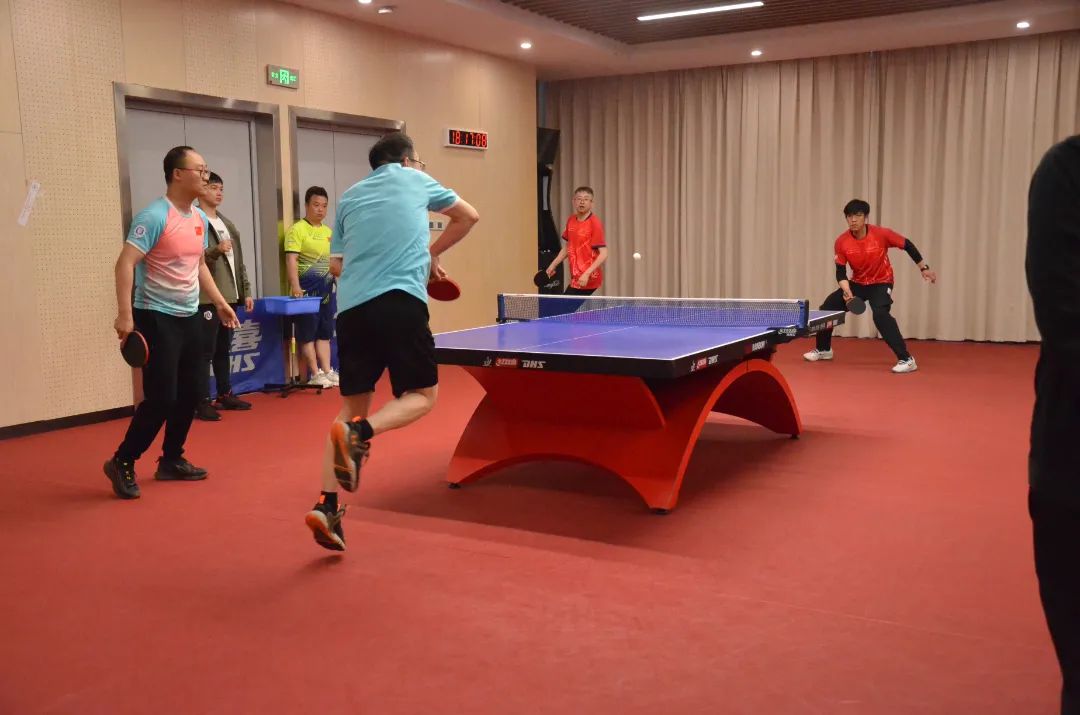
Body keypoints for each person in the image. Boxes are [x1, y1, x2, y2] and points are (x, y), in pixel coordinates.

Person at [304, 131, 479, 551]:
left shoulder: (349, 198)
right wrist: (430, 254)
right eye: (418, 162)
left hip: (352, 312)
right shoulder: (414, 179)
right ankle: (361, 433)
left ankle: (326, 505)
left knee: (350, 407)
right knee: (422, 396)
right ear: (406, 161)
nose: (419, 168)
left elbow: (336, 265)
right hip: (400, 302)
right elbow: (468, 216)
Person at [105, 146, 239, 499]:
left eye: (207, 170)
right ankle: (122, 460)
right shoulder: (153, 217)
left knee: (193, 392)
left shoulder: (198, 219)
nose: (206, 177)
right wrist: (125, 313)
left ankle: (171, 459)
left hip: (189, 315)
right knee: (162, 397)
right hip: (155, 316)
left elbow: (199, 265)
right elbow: (125, 263)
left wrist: (221, 303)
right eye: (200, 170)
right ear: (178, 174)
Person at [1025, 133, 1080, 715]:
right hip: (1070, 463)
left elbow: (907, 244)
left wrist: (924, 264)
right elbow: (1064, 318)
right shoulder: (1067, 172)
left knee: (884, 314)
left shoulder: (881, 235)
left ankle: (903, 353)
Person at [802, 199, 938, 373]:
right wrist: (846, 290)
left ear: (865, 217)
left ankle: (907, 359)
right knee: (828, 307)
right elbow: (840, 272)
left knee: (880, 314)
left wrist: (923, 268)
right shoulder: (842, 242)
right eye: (849, 216)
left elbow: (907, 245)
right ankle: (824, 349)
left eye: (858, 215)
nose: (853, 220)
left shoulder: (882, 234)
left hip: (881, 282)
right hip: (858, 283)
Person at [195, 172, 254, 421]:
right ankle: (201, 401)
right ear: (201, 190)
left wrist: (246, 291)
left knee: (223, 348)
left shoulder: (226, 223)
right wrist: (215, 250)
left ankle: (225, 393)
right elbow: (194, 259)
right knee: (204, 352)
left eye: (221, 188)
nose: (219, 192)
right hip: (206, 298)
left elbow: (238, 261)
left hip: (229, 295)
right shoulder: (195, 219)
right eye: (213, 187)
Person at [284, 186, 337, 388]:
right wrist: (295, 286)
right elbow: (291, 260)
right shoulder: (297, 230)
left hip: (327, 292)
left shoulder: (328, 232)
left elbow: (333, 262)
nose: (320, 209)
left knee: (324, 333)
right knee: (307, 335)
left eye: (324, 206)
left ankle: (327, 371)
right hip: (306, 293)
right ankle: (314, 374)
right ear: (306, 205)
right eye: (316, 205)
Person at [544, 186, 608, 296]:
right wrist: (553, 265)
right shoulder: (571, 220)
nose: (582, 202)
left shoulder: (594, 223)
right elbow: (568, 247)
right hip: (576, 277)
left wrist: (587, 274)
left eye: (586, 199)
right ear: (574, 201)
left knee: (563, 305)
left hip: (589, 278)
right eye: (579, 198)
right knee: (564, 304)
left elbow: (604, 253)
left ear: (591, 203)